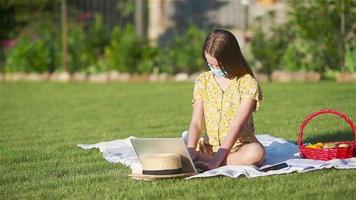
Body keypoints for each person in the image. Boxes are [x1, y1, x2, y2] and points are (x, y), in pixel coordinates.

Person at [186, 29, 265, 171]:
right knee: (185, 147)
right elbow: (196, 122)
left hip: (239, 148)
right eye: (210, 65)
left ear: (231, 59)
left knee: (257, 152)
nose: (214, 69)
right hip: (209, 148)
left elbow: (237, 125)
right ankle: (200, 158)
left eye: (218, 65)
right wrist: (191, 150)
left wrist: (216, 161)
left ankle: (208, 161)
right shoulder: (203, 81)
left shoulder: (247, 83)